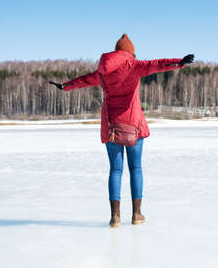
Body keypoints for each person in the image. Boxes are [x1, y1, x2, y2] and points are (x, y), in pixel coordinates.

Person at [50, 34, 194, 228]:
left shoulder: (102, 72)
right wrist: (179, 62)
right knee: (135, 169)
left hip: (111, 128)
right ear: (130, 53)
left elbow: (83, 80)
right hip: (134, 126)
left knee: (115, 170)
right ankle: (136, 214)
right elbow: (156, 64)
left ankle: (115, 217)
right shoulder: (133, 66)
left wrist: (65, 86)